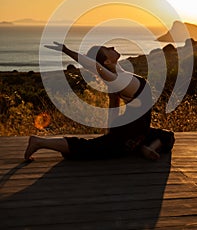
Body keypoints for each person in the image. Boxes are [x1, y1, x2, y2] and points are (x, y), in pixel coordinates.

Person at [24, 43, 175, 161]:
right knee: (89, 148)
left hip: (136, 130)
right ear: (107, 61)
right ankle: (39, 142)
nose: (112, 47)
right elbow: (94, 66)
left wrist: (111, 129)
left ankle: (146, 147)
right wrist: (67, 51)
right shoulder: (119, 81)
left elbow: (113, 104)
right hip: (129, 133)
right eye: (107, 49)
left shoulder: (119, 74)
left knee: (167, 136)